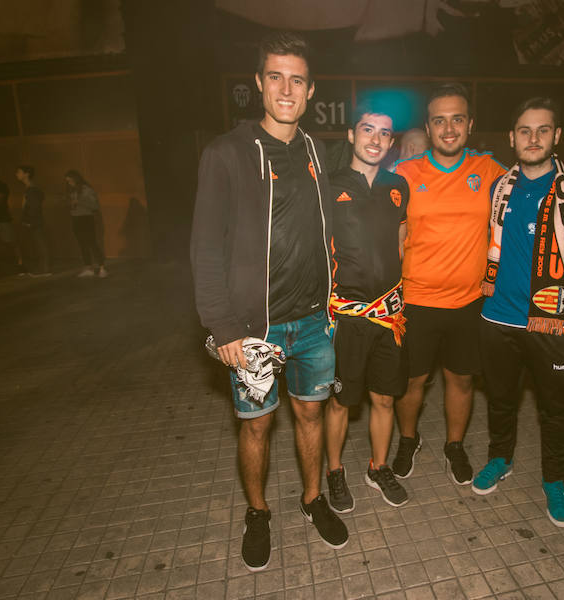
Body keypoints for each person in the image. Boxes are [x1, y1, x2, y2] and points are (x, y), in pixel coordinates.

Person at [189, 31, 347, 572]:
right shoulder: (226, 153)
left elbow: (323, 230)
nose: (286, 88)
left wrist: (335, 301)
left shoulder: (315, 150)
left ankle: (311, 499)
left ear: (309, 91)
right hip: (253, 332)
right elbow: (205, 247)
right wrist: (221, 326)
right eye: (275, 76)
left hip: (314, 324)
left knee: (311, 415)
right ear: (258, 84)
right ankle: (257, 514)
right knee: (256, 424)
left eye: (297, 79)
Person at [472, 97, 564, 529]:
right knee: (500, 399)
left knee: (554, 408)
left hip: (552, 321)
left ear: (557, 136)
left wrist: (555, 265)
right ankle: (501, 458)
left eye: (543, 130)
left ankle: (555, 479)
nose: (533, 139)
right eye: (524, 131)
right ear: (512, 138)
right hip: (497, 318)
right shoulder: (501, 188)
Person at [391, 83, 506, 485]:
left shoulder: (490, 171)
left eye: (457, 119)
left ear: (470, 124)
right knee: (411, 381)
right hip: (415, 300)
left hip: (470, 301)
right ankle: (408, 439)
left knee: (461, 379)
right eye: (439, 120)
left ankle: (454, 445)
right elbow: (383, 230)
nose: (449, 128)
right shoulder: (406, 174)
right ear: (429, 126)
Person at [324, 103, 410, 512]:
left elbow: (400, 241)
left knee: (385, 399)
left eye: (384, 133)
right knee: (341, 401)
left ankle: (379, 466)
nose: (375, 139)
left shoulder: (398, 186)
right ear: (351, 135)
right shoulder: (329, 185)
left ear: (391, 142)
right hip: (347, 318)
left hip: (389, 315)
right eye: (368, 130)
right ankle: (335, 471)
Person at [65, 170, 107, 278]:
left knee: (92, 243)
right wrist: (71, 205)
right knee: (82, 244)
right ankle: (88, 268)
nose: (69, 183)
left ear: (76, 179)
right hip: (76, 219)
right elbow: (73, 205)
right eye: (67, 181)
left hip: (86, 219)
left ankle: (102, 268)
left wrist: (80, 201)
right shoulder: (72, 191)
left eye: (70, 181)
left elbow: (94, 206)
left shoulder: (86, 189)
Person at [16, 166, 51, 277]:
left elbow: (34, 207)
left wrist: (29, 221)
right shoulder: (30, 188)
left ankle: (44, 269)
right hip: (32, 221)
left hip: (33, 221)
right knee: (37, 244)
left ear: (26, 174)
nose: (16, 174)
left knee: (40, 243)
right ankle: (41, 268)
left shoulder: (32, 189)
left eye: (19, 172)